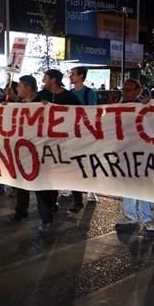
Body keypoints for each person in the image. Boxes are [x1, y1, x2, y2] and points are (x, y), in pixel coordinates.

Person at [31, 70, 81, 232]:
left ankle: (61, 202)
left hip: (63, 146)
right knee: (42, 182)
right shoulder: (40, 96)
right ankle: (46, 218)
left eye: (45, 78)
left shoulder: (70, 98)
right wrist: (7, 102)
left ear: (53, 80)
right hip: (42, 147)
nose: (42, 81)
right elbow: (24, 108)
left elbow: (81, 117)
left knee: (55, 180)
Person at [117, 78, 154, 231]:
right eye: (124, 90)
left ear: (137, 91)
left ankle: (147, 218)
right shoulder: (119, 106)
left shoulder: (145, 107)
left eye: (128, 90)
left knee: (144, 185)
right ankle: (130, 216)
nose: (125, 93)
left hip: (143, 152)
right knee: (128, 185)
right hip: (125, 151)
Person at [7, 75, 40, 224]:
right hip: (23, 149)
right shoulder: (19, 103)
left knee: (42, 184)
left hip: (39, 150)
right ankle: (21, 211)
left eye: (19, 86)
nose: (17, 88)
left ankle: (48, 211)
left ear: (27, 88)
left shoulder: (41, 103)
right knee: (22, 182)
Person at [68, 67, 100, 213]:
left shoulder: (89, 93)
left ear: (81, 76)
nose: (70, 76)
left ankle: (91, 189)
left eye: (73, 74)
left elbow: (93, 114)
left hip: (86, 135)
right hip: (74, 135)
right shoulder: (69, 94)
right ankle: (77, 199)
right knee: (75, 166)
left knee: (87, 164)